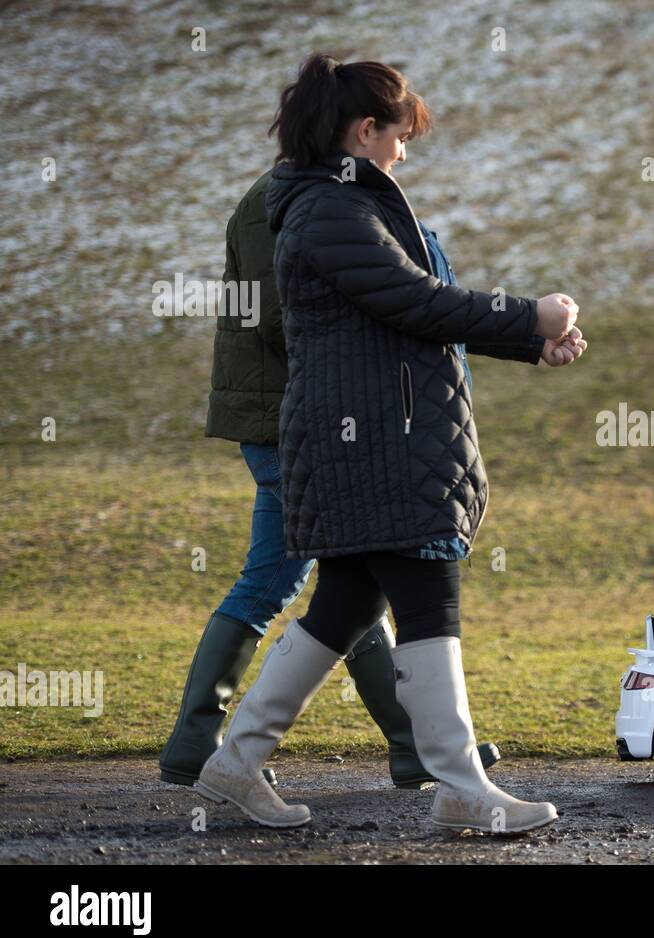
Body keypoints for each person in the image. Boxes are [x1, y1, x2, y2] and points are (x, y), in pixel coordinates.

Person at [195, 53, 586, 833]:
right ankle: (461, 785)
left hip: (367, 444)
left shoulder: (333, 205)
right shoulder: (333, 211)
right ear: (364, 130)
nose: (404, 152)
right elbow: (417, 301)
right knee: (427, 595)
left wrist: (528, 344)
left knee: (342, 604)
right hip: (373, 447)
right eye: (398, 136)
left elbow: (407, 314)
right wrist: (531, 316)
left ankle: (234, 764)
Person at [159, 170, 501, 793]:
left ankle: (205, 746)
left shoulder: (333, 196)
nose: (399, 151)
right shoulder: (288, 201)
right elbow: (283, 318)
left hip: (306, 418)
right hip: (292, 421)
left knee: (324, 576)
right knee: (338, 570)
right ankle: (408, 745)